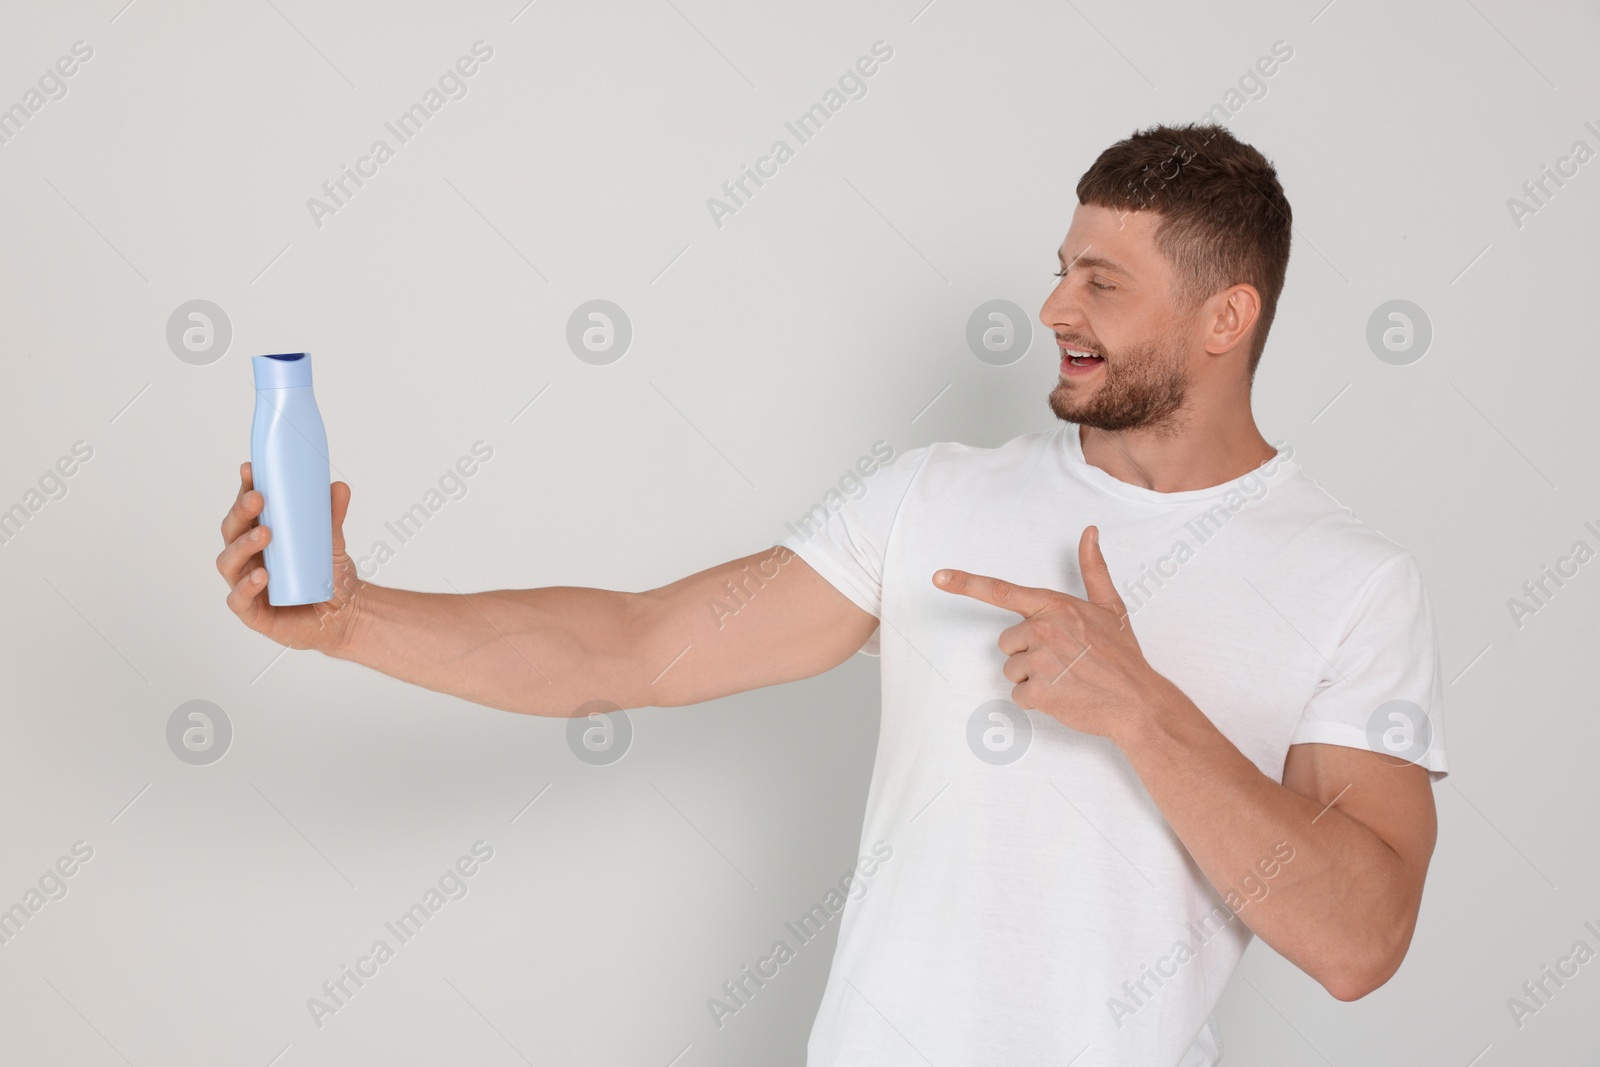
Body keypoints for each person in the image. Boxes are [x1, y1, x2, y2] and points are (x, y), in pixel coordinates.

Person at [217, 122, 1447, 1066]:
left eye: (1102, 283)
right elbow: (633, 646)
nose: (1053, 309)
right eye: (1061, 270)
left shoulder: (1350, 580)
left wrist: (1139, 707)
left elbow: (1358, 939)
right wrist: (351, 616)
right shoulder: (931, 497)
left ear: (1227, 316)